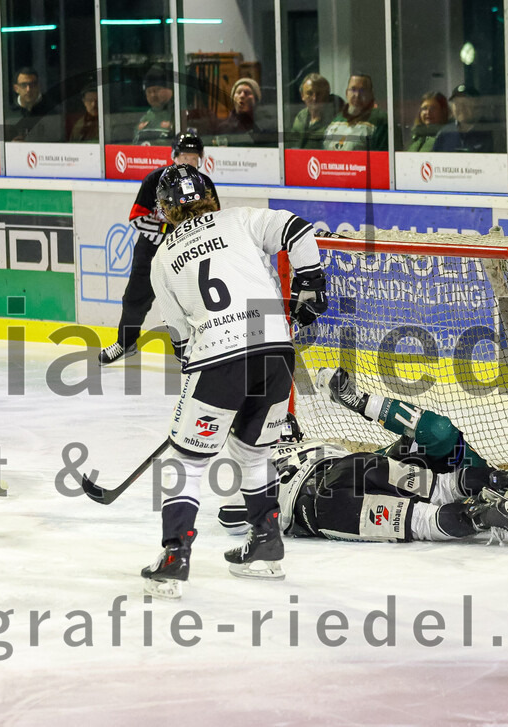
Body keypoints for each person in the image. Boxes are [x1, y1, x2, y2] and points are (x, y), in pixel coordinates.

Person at [138, 163, 328, 599]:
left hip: (217, 356)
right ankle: (265, 546)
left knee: (187, 460)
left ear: (165, 210)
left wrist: (201, 396)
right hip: (273, 346)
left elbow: (183, 341)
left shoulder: (163, 258)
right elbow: (297, 229)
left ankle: (174, 557)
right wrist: (310, 282)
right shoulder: (240, 218)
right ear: (211, 194)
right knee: (252, 450)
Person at [218, 367, 508, 547]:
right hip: (356, 467)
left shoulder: (253, 467)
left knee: (423, 519)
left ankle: (482, 515)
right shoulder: (311, 445)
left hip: (317, 509)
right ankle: (505, 480)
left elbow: (231, 517)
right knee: (436, 483)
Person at [98, 130, 219, 366]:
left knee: (193, 303)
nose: (189, 162)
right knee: (134, 299)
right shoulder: (155, 180)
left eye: (193, 158)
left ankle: (199, 350)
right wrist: (169, 232)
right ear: (174, 156)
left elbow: (211, 219)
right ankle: (125, 342)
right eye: (184, 156)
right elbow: (136, 218)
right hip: (152, 252)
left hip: (188, 254)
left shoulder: (204, 183)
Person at [323, 74, 388, 151]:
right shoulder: (336, 120)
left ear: (371, 94)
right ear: (346, 93)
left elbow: (382, 158)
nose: (357, 95)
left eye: (362, 90)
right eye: (353, 90)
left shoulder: (380, 121)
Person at [432, 85, 496, 153]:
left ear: (478, 106)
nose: (461, 108)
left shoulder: (491, 131)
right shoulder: (445, 132)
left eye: (466, 103)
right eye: (457, 104)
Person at [6, 67, 61, 142]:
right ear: (16, 88)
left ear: (38, 86)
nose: (28, 89)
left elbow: (58, 142)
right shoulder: (7, 113)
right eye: (23, 85)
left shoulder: (52, 111)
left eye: (32, 84)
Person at [288, 74, 341, 149]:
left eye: (319, 94)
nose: (314, 98)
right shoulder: (301, 116)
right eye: (310, 93)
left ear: (327, 95)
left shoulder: (336, 120)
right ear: (302, 95)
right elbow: (292, 144)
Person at [213, 77, 263, 146]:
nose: (242, 96)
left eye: (247, 93)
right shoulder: (223, 128)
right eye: (239, 92)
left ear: (256, 100)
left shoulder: (263, 128)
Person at [132, 65, 174, 145]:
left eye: (157, 90)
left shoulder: (178, 115)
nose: (152, 95)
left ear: (169, 90)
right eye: (149, 91)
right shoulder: (144, 118)